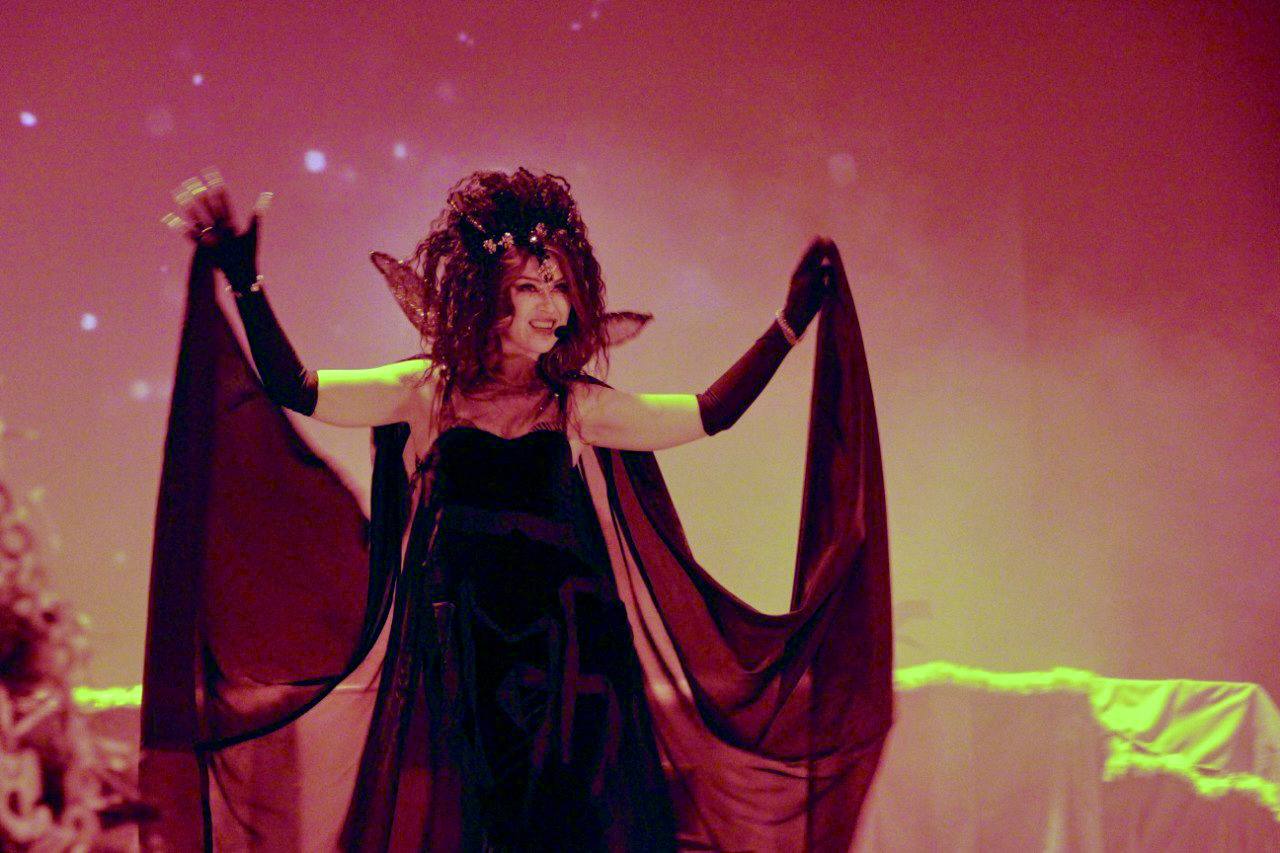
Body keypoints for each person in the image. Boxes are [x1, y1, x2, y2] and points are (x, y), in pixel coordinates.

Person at [142, 167, 894, 851]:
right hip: (469, 662)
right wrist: (246, 284)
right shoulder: (427, 392)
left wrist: (790, 322)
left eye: (561, 286)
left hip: (571, 664)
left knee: (566, 828)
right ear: (486, 295)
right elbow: (295, 386)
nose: (553, 305)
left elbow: (709, 413)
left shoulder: (573, 407)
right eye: (532, 286)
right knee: (492, 827)